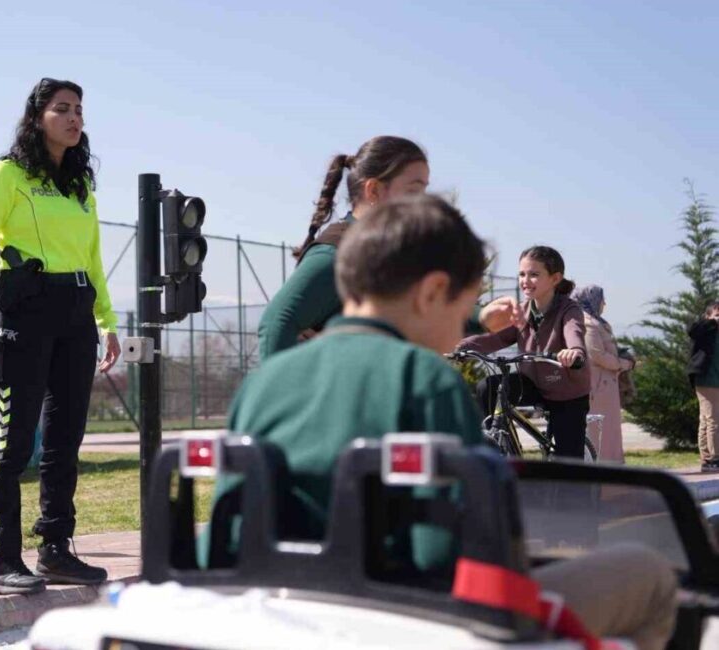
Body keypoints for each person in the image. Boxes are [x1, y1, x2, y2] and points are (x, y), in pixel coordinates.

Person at [217, 195, 676, 650]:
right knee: (647, 572)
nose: (467, 319)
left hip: (289, 612)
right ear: (434, 292)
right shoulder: (427, 382)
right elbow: (452, 553)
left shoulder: (265, 383)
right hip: (409, 618)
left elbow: (223, 540)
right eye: (466, 303)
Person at [0, 78, 121, 595]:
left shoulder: (80, 185)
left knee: (65, 440)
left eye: (79, 110)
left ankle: (55, 550)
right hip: (23, 311)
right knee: (14, 439)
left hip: (75, 314)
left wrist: (107, 320)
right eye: (62, 109)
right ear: (37, 117)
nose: (74, 118)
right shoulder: (6, 174)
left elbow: (93, 258)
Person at [256, 135, 514, 360]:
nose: (422, 201)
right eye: (414, 190)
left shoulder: (395, 253)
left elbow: (426, 308)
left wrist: (482, 316)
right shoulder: (337, 253)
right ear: (374, 190)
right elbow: (277, 322)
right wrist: (286, 400)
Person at [460, 246, 591, 458]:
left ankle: (578, 488)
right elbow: (497, 338)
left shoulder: (568, 309)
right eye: (522, 274)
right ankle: (500, 443)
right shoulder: (521, 311)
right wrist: (461, 347)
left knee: (569, 460)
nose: (525, 280)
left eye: (534, 275)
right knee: (488, 387)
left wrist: (574, 352)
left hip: (566, 390)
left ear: (555, 278)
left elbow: (574, 332)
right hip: (532, 383)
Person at [572, 284, 633, 462]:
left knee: (610, 430)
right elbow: (597, 355)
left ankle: (612, 466)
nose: (604, 303)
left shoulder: (596, 321)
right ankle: (603, 467)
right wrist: (624, 364)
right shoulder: (588, 323)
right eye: (601, 299)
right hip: (598, 387)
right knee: (600, 431)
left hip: (605, 385)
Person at [687, 302, 719, 472]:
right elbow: (692, 330)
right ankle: (713, 459)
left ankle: (707, 458)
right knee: (713, 420)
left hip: (716, 381)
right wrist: (712, 322)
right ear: (708, 316)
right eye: (717, 314)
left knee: (706, 420)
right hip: (706, 380)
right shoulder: (706, 331)